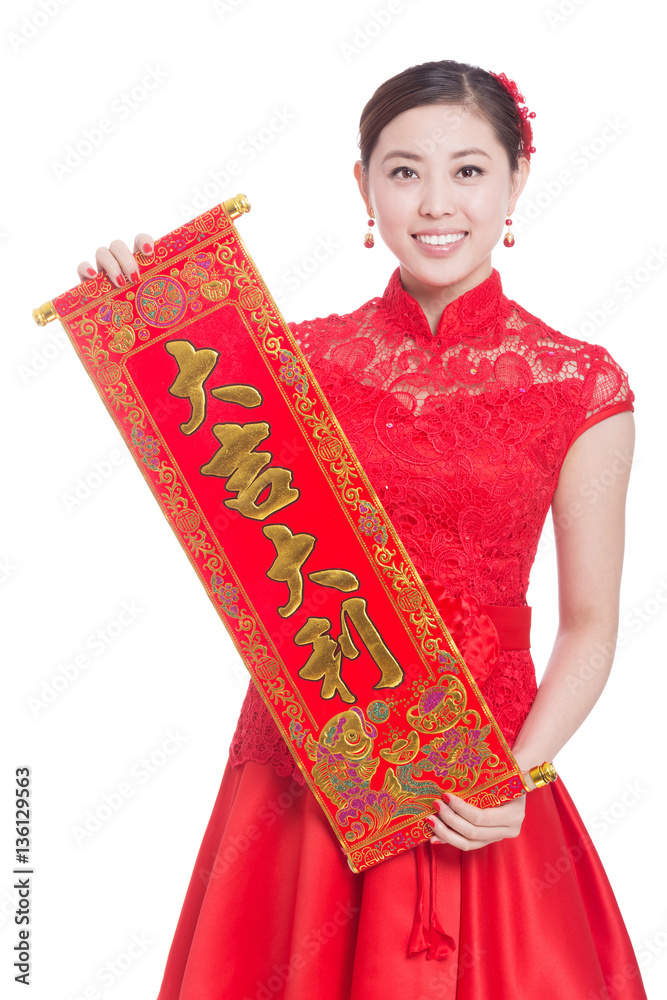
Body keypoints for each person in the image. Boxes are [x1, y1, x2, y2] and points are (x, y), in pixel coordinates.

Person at [76, 60, 646, 1000]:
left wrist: (519, 779)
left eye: (467, 170)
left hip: (480, 778)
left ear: (517, 179)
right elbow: (198, 454)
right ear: (363, 187)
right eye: (402, 170)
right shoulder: (284, 362)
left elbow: (589, 624)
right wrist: (137, 303)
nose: (434, 203)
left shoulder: (579, 385)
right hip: (310, 759)